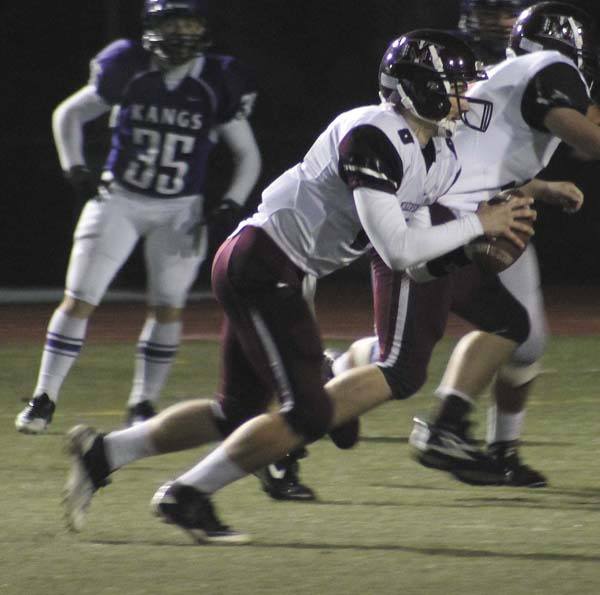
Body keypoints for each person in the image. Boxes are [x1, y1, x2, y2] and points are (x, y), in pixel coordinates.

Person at [61, 29, 535, 543]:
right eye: (456, 84)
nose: (466, 96)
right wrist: (476, 227)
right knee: (308, 412)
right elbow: (397, 248)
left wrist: (465, 251)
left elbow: (414, 265)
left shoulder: (438, 154)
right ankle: (187, 495)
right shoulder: (372, 133)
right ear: (420, 87)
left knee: (236, 410)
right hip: (260, 264)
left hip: (284, 271)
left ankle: (105, 453)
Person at [327, 1, 600, 487]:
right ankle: (293, 423)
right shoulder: (548, 69)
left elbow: (485, 157)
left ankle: (472, 437)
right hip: (443, 217)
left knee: (510, 329)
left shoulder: (502, 74)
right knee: (404, 367)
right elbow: (576, 130)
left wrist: (539, 188)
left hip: (469, 209)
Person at [15, 0, 261, 433]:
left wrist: (230, 204)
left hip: (179, 208)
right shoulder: (129, 66)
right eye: (173, 23)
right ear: (152, 27)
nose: (183, 33)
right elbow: (68, 114)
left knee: (168, 307)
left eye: (190, 23)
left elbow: (247, 155)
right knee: (78, 299)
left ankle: (143, 402)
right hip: (120, 201)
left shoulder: (216, 79)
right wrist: (75, 168)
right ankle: (44, 397)